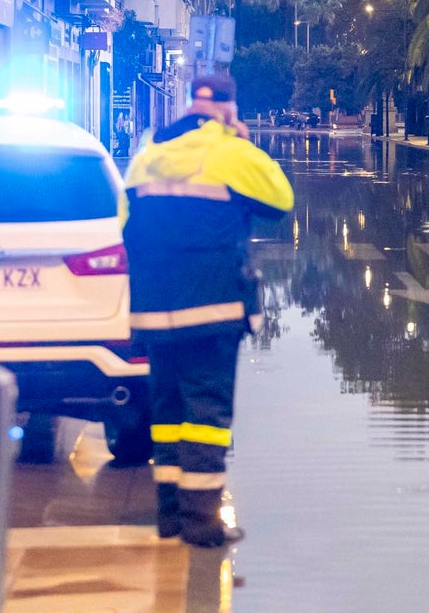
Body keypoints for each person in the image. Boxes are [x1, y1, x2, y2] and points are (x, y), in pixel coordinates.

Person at [120, 74, 295, 548]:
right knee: (206, 415)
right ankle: (202, 524)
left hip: (154, 311)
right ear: (227, 108)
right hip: (213, 306)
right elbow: (281, 199)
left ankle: (170, 517)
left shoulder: (148, 156)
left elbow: (125, 225)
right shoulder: (231, 152)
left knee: (167, 411)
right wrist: (241, 139)